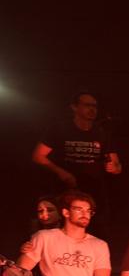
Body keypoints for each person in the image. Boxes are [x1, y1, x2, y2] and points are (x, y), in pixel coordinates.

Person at [32, 90, 121, 220]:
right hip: (65, 189)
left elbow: (117, 165)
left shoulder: (101, 132)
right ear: (74, 107)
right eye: (87, 105)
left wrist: (115, 167)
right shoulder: (60, 128)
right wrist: (60, 172)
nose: (92, 109)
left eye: (94, 106)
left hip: (93, 191)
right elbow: (38, 156)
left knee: (96, 225)